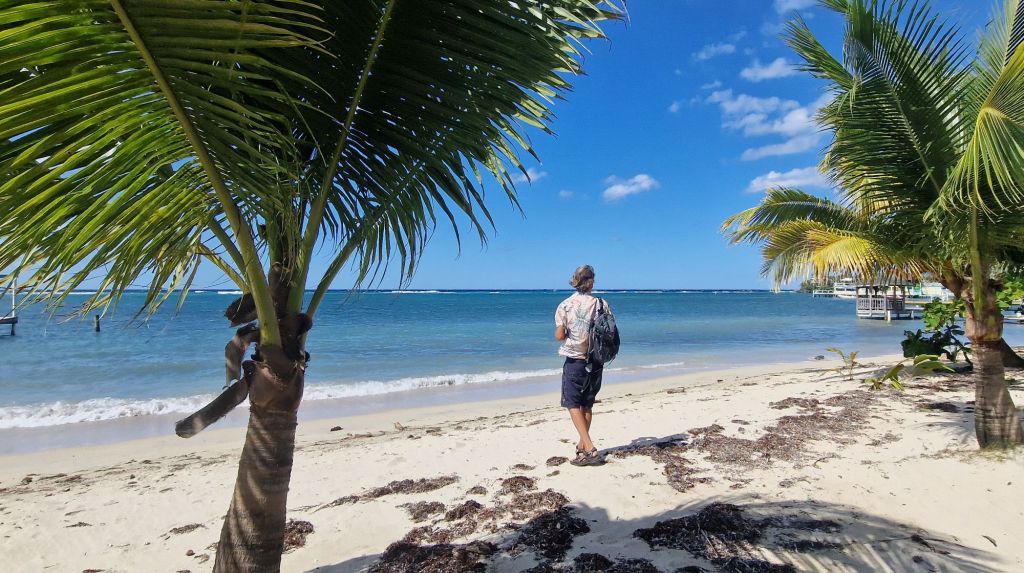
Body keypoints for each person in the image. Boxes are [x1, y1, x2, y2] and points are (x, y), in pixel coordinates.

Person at [554, 264, 608, 466]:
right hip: (595, 360)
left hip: (575, 360)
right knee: (587, 404)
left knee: (572, 403)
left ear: (575, 281)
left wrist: (569, 332)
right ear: (592, 282)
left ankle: (590, 447)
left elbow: (559, 336)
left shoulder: (565, 305)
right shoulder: (601, 303)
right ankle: (582, 447)